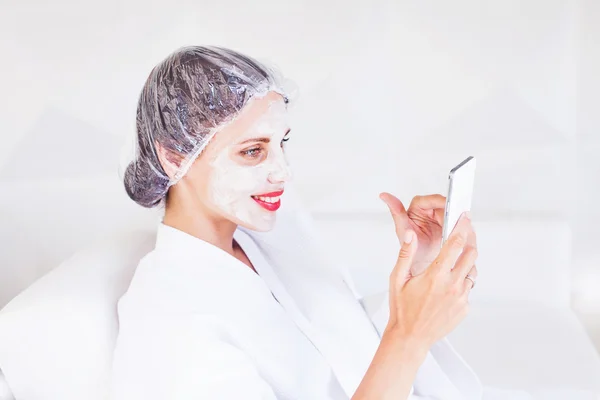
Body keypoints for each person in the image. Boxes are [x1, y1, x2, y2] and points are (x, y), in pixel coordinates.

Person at [110, 45, 531, 399]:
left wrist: (415, 278)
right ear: (175, 156)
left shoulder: (267, 238)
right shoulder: (170, 323)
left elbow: (339, 345)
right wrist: (410, 335)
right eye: (253, 151)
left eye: (281, 144)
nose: (283, 172)